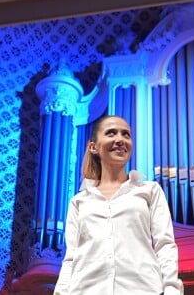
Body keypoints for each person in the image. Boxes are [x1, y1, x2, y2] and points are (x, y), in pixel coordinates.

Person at [54, 115, 184, 295]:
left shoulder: (150, 190)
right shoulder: (79, 201)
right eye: (111, 133)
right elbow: (72, 258)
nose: (120, 140)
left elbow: (165, 245)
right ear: (94, 147)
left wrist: (171, 290)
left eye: (126, 135)